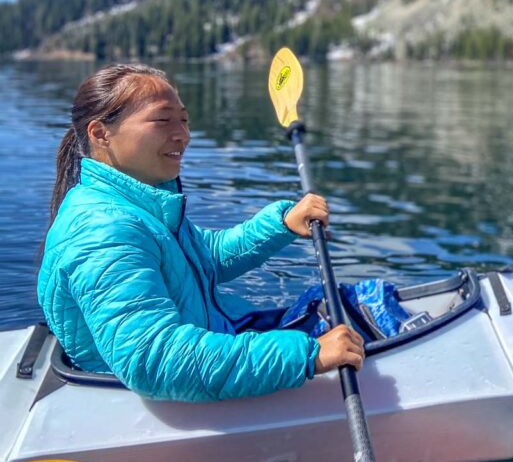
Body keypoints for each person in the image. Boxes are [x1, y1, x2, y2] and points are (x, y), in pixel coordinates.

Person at [37, 63, 365, 402]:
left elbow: (204, 258)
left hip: (210, 343)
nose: (183, 134)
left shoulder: (141, 203)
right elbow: (156, 360)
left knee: (354, 304)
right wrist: (308, 356)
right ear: (100, 133)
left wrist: (280, 224)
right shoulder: (102, 229)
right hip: (156, 394)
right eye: (163, 120)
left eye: (184, 119)